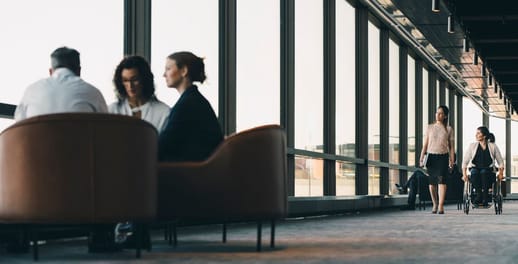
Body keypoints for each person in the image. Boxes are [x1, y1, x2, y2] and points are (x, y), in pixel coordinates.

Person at [158, 51, 223, 162]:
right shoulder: (194, 100)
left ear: (184, 71)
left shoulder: (188, 104)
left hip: (193, 171)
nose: (164, 74)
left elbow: (165, 143)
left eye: (168, 69)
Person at [14, 47, 107, 121]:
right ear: (79, 71)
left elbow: (19, 126)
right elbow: (106, 127)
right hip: (79, 144)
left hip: (37, 144)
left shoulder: (31, 91)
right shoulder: (92, 92)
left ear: (51, 71)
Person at [109, 55, 170, 131]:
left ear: (144, 79)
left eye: (134, 79)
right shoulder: (113, 110)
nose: (130, 85)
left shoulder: (163, 112)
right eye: (125, 80)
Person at [419, 105, 455, 214]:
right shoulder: (430, 127)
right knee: (432, 183)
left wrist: (452, 160)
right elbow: (425, 144)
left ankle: (440, 205)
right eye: (437, 112)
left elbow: (451, 147)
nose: (437, 115)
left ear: (445, 116)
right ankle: (434, 203)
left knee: (441, 181)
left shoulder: (448, 129)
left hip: (442, 157)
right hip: (431, 157)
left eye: (440, 113)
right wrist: (421, 158)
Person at [462, 127, 504, 207]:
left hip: (488, 170)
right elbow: (465, 162)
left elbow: (500, 162)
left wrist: (501, 173)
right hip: (475, 169)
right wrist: (464, 174)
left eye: (478, 133)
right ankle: (479, 194)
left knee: (484, 172)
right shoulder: (472, 146)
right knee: (474, 173)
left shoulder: (492, 146)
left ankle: (485, 196)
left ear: (484, 136)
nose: (476, 135)